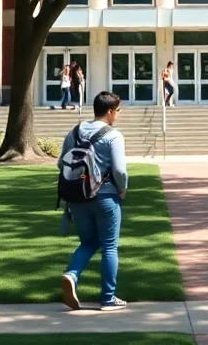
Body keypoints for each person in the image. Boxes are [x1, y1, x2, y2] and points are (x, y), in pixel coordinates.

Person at [60, 91, 129, 312]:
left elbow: (61, 164)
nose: (118, 114)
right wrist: (122, 189)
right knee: (109, 246)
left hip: (77, 197)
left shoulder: (75, 131)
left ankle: (72, 274)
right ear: (110, 111)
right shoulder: (113, 135)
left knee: (88, 242)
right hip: (106, 195)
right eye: (118, 110)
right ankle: (108, 298)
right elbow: (119, 169)